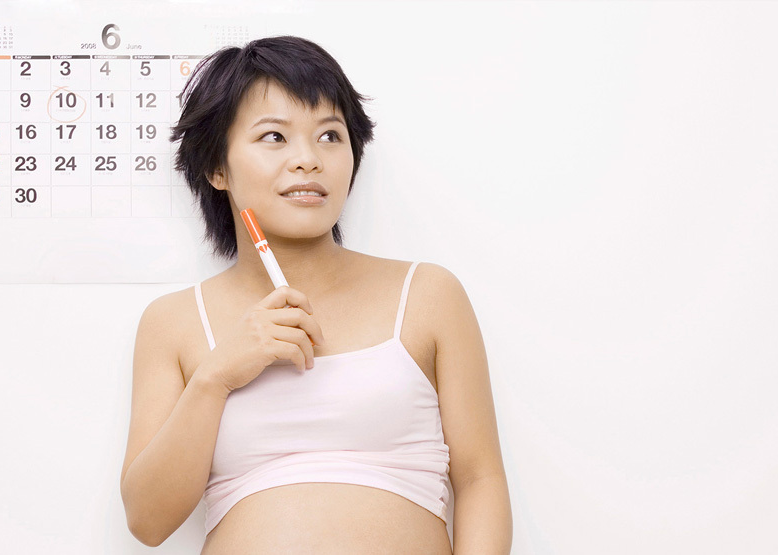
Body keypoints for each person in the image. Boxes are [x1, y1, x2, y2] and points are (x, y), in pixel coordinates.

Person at [120, 36, 512, 554]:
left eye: (330, 135)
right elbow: (148, 522)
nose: (308, 159)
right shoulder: (172, 322)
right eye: (274, 137)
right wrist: (216, 377)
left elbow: (481, 480)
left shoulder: (428, 295)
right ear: (218, 168)